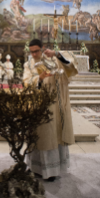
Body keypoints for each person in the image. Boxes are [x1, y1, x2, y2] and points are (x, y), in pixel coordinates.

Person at [23, 39, 78, 181]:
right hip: (39, 105)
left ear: (42, 49)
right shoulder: (28, 64)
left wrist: (57, 54)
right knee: (41, 136)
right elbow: (26, 82)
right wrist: (39, 78)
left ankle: (52, 170)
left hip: (55, 104)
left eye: (36, 51)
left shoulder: (54, 59)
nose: (34, 54)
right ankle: (36, 167)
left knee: (54, 135)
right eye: (32, 52)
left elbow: (71, 68)